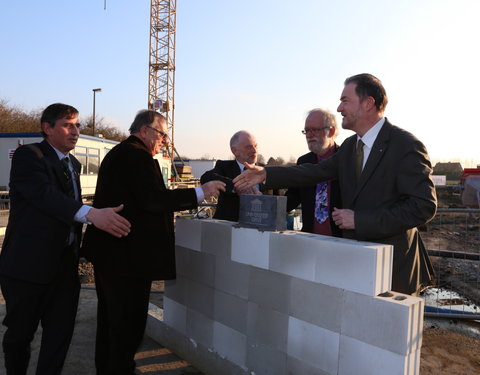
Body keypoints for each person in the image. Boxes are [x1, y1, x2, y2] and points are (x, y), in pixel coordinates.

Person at [234, 73, 437, 296]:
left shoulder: (405, 145)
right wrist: (265, 173)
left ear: (368, 103)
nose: (339, 108)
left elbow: (423, 206)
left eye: (345, 100)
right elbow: (313, 172)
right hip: (356, 262)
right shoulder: (351, 147)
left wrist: (359, 220)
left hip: (393, 268)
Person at [81, 110, 225, 375]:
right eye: (162, 134)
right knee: (127, 326)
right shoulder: (137, 156)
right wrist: (200, 192)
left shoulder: (121, 153)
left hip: (113, 255)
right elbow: (154, 200)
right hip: (127, 259)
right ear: (145, 130)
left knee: (111, 324)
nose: (165, 141)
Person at [0, 103, 131, 375]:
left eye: (77, 125)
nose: (75, 131)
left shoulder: (73, 163)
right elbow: (45, 197)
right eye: (67, 125)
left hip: (64, 268)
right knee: (19, 336)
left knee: (59, 337)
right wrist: (92, 214)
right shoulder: (29, 156)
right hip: (27, 268)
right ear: (47, 129)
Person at [286, 109, 342, 236]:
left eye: (315, 129)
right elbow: (291, 199)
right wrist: (263, 199)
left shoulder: (346, 159)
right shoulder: (304, 161)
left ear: (331, 131)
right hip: (310, 240)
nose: (309, 135)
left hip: (342, 241)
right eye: (307, 130)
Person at [200, 130, 263, 221]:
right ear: (235, 151)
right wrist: (236, 187)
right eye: (248, 147)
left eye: (256, 146)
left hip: (261, 229)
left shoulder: (266, 171)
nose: (254, 150)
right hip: (229, 228)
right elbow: (205, 178)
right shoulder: (224, 167)